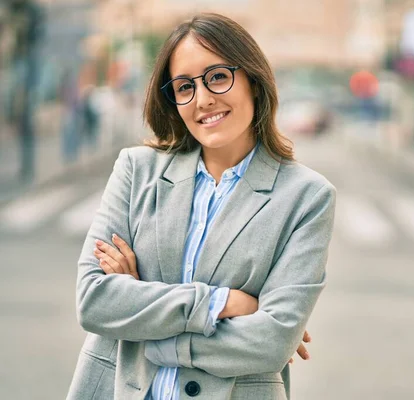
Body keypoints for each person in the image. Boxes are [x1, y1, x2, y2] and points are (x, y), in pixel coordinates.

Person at [67, 13, 336, 400]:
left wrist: (144, 317)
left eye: (218, 77)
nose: (204, 99)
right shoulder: (136, 170)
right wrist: (223, 303)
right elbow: (95, 301)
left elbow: (271, 342)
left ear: (253, 82)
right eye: (184, 86)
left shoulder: (307, 197)